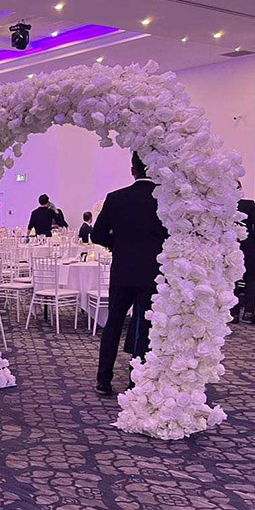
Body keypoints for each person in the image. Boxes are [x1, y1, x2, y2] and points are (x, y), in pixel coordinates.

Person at [92, 153, 168, 396]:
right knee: (143, 326)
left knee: (113, 322)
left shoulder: (116, 198)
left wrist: (118, 245)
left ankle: (103, 378)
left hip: (122, 270)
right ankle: (136, 380)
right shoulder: (165, 201)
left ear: (132, 169)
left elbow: (97, 235)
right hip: (153, 272)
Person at [233, 189, 255, 325]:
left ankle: (232, 313)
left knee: (231, 279)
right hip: (248, 247)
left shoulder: (221, 207)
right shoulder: (249, 205)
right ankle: (249, 312)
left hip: (229, 247)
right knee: (251, 278)